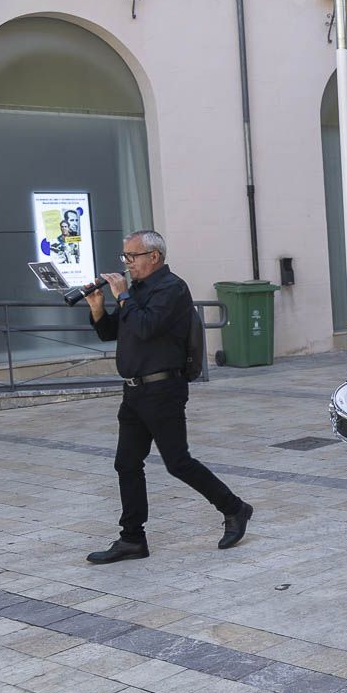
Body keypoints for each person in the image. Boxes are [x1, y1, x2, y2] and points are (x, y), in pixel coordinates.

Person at [84, 230, 252, 564]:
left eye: (131, 257)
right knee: (126, 463)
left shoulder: (172, 288)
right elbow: (112, 332)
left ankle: (235, 508)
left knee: (178, 462)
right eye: (125, 258)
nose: (127, 264)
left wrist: (123, 297)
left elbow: (147, 326)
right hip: (133, 391)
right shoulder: (137, 291)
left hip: (163, 390)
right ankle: (132, 539)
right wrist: (98, 308)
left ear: (154, 257)